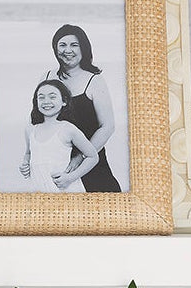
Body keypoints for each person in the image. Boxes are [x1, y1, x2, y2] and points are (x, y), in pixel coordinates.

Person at [43, 24, 122, 193]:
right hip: (56, 162)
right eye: (62, 45)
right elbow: (37, 120)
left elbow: (107, 126)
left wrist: (81, 157)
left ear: (83, 49)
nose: (68, 50)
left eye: (74, 45)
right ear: (55, 48)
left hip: (91, 161)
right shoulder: (47, 77)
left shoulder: (94, 80)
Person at [19, 80, 98, 193]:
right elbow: (28, 153)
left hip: (65, 189)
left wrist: (70, 178)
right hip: (38, 189)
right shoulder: (30, 129)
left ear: (64, 101)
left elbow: (93, 157)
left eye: (52, 97)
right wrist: (25, 164)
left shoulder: (68, 129)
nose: (46, 101)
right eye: (41, 97)